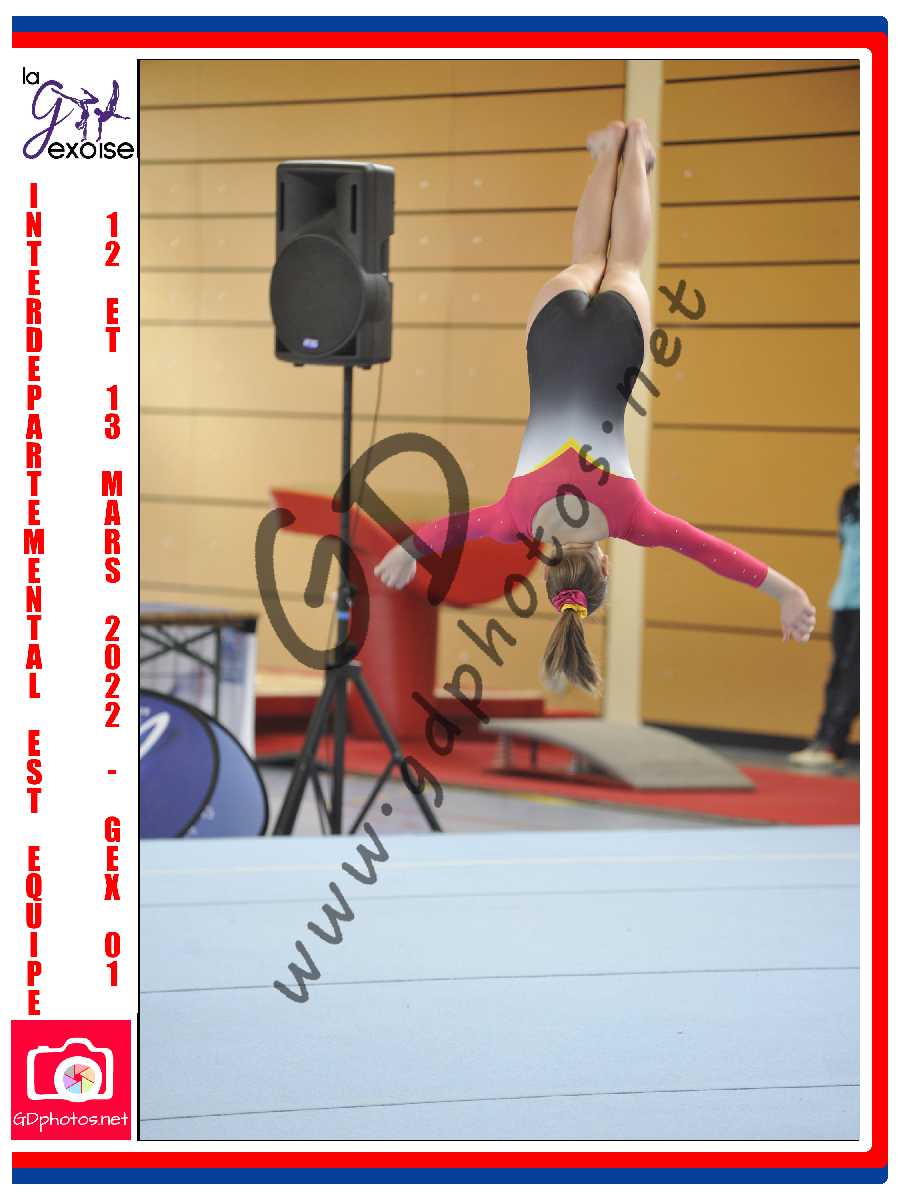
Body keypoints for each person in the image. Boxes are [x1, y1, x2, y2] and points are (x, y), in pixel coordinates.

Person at [375, 119, 816, 692]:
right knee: (586, 254)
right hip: (551, 337)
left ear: (604, 564)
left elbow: (713, 553)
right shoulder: (514, 519)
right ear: (545, 565)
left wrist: (787, 592)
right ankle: (610, 150)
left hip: (616, 342)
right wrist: (406, 552)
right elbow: (447, 530)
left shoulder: (632, 517)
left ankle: (638, 150)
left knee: (625, 262)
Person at [789, 445, 860, 767]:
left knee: (855, 672)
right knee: (838, 671)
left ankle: (833, 743)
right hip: (845, 596)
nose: (857, 457)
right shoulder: (850, 496)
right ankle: (824, 740)